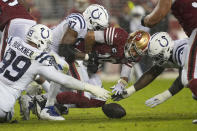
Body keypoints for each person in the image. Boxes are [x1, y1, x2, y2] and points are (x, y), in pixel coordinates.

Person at [0, 24, 110, 123]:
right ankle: (47, 106)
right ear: (41, 41)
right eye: (47, 43)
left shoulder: (14, 42)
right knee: (9, 114)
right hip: (3, 105)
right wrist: (91, 88)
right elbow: (64, 80)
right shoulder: (40, 59)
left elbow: (27, 70)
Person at [24, 4, 110, 121]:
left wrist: (94, 61)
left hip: (63, 56)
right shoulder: (79, 22)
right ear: (90, 21)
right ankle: (48, 108)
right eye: (98, 27)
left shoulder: (87, 29)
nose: (99, 31)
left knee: (97, 99)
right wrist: (87, 57)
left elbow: (79, 56)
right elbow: (64, 49)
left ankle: (40, 99)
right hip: (49, 51)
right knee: (64, 69)